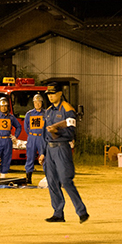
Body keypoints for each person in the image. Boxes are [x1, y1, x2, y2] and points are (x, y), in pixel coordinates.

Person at [38, 82, 89, 223]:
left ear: (60, 93)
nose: (50, 96)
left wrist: (57, 131)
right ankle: (58, 213)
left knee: (66, 181)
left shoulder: (67, 109)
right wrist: (43, 153)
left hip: (62, 148)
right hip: (49, 149)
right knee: (52, 182)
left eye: (53, 93)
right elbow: (44, 134)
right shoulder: (48, 111)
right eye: (48, 94)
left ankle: (81, 211)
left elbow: (71, 130)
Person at [24, 94, 45, 184]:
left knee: (44, 157)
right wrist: (31, 135)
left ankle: (48, 178)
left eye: (39, 102)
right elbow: (26, 127)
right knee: (30, 157)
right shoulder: (29, 114)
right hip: (32, 137)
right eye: (35, 102)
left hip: (42, 138)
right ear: (33, 103)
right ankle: (28, 178)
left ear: (41, 103)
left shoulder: (46, 113)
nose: (37, 104)